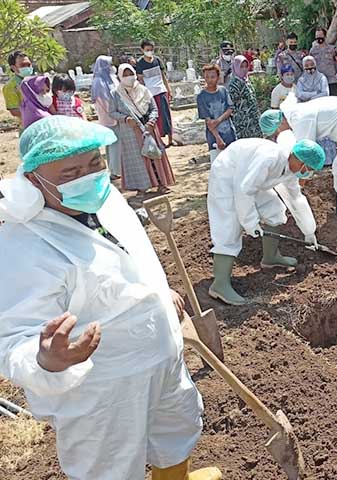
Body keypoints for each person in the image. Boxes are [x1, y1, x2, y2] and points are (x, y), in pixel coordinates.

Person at [0, 115, 222, 480]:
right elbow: (12, 340)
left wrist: (157, 291)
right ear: (32, 180)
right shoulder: (21, 247)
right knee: (111, 467)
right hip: (105, 388)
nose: (87, 178)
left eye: (94, 164)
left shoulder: (106, 200)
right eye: (69, 174)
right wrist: (46, 359)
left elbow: (127, 258)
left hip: (161, 353)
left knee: (176, 429)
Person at [207, 137, 325, 305]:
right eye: (309, 169)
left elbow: (295, 198)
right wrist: (250, 223)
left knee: (275, 209)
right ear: (300, 162)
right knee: (229, 225)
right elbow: (245, 190)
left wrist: (309, 232)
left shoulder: (291, 170)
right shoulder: (269, 159)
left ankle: (270, 257)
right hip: (228, 175)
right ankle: (219, 285)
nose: (308, 173)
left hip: (250, 180)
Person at [260, 94, 337, 218]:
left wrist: (297, 190)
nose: (279, 134)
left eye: (276, 132)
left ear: (279, 123)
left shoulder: (300, 121)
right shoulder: (293, 114)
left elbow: (306, 158)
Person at [109, 63, 175, 195]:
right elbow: (112, 112)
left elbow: (154, 108)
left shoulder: (143, 90)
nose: (129, 77)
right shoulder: (116, 94)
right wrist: (126, 119)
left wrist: (151, 121)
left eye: (131, 74)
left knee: (155, 155)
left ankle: (161, 184)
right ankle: (141, 187)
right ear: (120, 77)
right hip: (131, 131)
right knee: (137, 159)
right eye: (125, 75)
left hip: (149, 128)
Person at [135, 40, 174, 148]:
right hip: (150, 94)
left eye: (151, 49)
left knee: (166, 115)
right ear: (142, 50)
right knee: (155, 117)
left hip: (161, 91)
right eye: (147, 50)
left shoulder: (157, 60)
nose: (150, 52)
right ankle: (159, 141)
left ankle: (171, 139)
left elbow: (163, 76)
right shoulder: (140, 63)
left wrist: (168, 89)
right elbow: (140, 80)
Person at [91, 55, 121, 178]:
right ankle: (116, 170)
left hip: (114, 114)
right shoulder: (99, 81)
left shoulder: (109, 78)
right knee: (115, 143)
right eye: (109, 64)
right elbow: (103, 101)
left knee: (113, 143)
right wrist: (113, 113)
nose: (111, 66)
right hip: (109, 116)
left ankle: (115, 168)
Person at [197, 64, 236, 152]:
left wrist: (218, 120)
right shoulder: (201, 96)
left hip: (229, 132)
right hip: (213, 135)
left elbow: (230, 108)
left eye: (212, 77)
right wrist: (218, 138)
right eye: (207, 77)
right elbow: (209, 122)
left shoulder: (223, 91)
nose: (210, 80)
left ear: (218, 77)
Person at [227, 55, 262, 139]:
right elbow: (233, 105)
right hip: (243, 123)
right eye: (241, 67)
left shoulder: (247, 81)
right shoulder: (233, 84)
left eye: (246, 66)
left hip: (254, 120)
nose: (244, 69)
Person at [3, 51, 33, 123]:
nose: (27, 67)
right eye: (23, 65)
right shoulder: (10, 87)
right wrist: (35, 112)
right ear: (13, 68)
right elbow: (14, 111)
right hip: (27, 125)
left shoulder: (35, 81)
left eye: (28, 65)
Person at [310, 27, 337, 95]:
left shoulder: (332, 49)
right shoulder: (313, 50)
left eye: (320, 35)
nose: (319, 37)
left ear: (325, 36)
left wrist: (334, 73)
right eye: (317, 36)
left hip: (331, 80)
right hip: (318, 80)